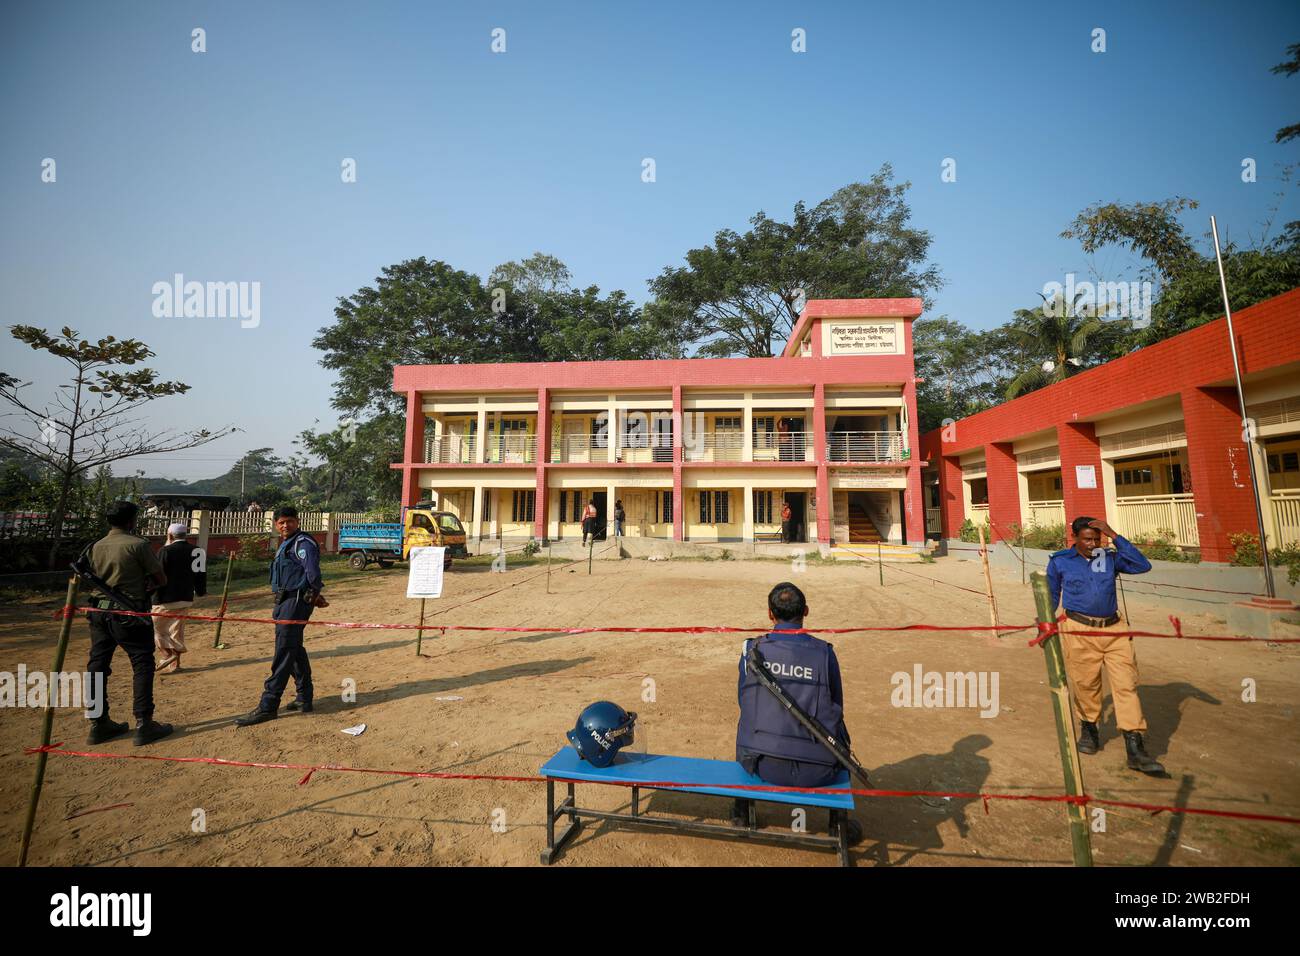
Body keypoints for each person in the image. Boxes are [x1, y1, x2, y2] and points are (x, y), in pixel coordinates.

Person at [1047, 515, 1163, 775]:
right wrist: (1045, 622)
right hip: (1079, 630)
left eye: (1096, 539)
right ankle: (1090, 730)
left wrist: (1113, 534)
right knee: (1086, 684)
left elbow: (1142, 565)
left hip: (1114, 630)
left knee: (1127, 685)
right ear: (1075, 539)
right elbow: (1052, 595)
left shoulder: (1109, 558)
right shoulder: (1060, 562)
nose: (1092, 544)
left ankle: (1135, 749)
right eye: (1087, 539)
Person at [734, 582, 850, 822]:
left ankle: (742, 812)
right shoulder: (825, 654)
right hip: (819, 769)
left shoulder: (752, 650)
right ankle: (838, 823)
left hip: (760, 763)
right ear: (806, 611)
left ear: (769, 614)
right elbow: (836, 705)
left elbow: (743, 701)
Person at [84, 501, 174, 746]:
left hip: (98, 613)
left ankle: (98, 723)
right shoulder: (138, 545)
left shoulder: (95, 546)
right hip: (130, 615)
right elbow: (160, 578)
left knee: (97, 666)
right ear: (131, 521)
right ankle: (144, 723)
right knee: (142, 664)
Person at [236, 506, 328, 725]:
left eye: (290, 521)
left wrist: (314, 595)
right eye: (281, 522)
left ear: (297, 521)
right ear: (275, 524)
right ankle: (304, 697)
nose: (285, 526)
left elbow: (313, 574)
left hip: (296, 601)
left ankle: (268, 705)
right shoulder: (286, 544)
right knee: (294, 648)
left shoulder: (302, 543)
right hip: (284, 601)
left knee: (284, 651)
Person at [151, 522, 207, 673]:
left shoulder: (165, 551)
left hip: (164, 599)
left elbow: (157, 575)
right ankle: (175, 666)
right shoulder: (198, 551)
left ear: (169, 535)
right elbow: (201, 575)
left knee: (157, 629)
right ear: (186, 535)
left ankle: (167, 655)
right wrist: (201, 592)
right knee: (176, 630)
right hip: (186, 597)